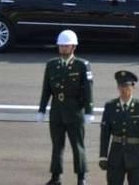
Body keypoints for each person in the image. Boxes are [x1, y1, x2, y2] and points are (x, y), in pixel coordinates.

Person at [37, 30, 94, 185]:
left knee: (78, 146)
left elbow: (88, 90)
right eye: (61, 46)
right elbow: (46, 89)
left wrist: (89, 111)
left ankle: (81, 178)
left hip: (75, 111)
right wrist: (42, 109)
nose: (62, 49)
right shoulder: (52, 65)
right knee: (57, 146)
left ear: (73, 47)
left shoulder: (82, 65)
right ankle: (56, 177)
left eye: (66, 46)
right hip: (56, 111)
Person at [99, 70, 139, 185]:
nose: (123, 89)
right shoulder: (110, 106)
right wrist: (103, 156)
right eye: (120, 86)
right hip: (116, 154)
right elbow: (105, 134)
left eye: (126, 86)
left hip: (136, 155)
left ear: (133, 87)